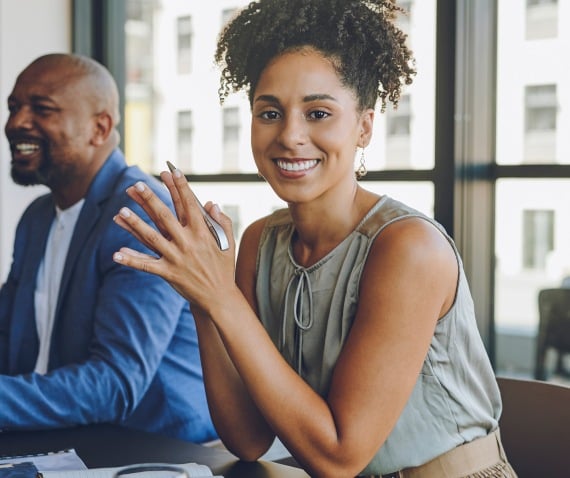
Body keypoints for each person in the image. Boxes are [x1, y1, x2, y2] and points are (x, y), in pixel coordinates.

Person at [112, 0, 517, 476]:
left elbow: (338, 455)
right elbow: (247, 438)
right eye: (269, 113)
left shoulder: (409, 249)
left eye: (319, 113)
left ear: (364, 125)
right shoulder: (261, 241)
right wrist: (204, 300)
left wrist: (223, 298)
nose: (290, 136)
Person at [1, 53, 216, 443]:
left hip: (156, 447)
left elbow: (116, 385)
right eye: (14, 108)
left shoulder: (141, 215)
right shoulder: (37, 218)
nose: (16, 123)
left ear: (100, 128)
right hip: (68, 437)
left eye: (42, 110)